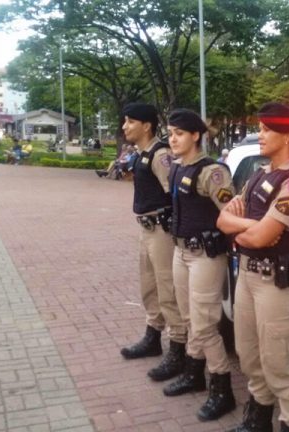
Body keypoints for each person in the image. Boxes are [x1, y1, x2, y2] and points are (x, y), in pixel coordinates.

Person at [218, 103, 289, 432]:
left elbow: (262, 236)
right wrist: (251, 227)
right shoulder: (260, 174)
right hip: (245, 276)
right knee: (249, 356)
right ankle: (258, 422)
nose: (259, 135)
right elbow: (222, 220)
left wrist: (247, 229)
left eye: (266, 129)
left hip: (276, 284)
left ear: (287, 135)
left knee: (280, 366)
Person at [161, 109, 236, 420]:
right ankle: (194, 374)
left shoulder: (211, 172)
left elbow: (232, 212)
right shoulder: (177, 169)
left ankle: (223, 389)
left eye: (179, 133)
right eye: (170, 134)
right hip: (181, 252)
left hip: (205, 255)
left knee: (205, 324)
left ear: (195, 135)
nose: (173, 139)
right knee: (189, 317)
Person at [119, 103, 187, 383]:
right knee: (148, 286)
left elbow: (176, 195)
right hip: (146, 229)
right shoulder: (141, 154)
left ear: (146, 125)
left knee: (166, 288)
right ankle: (152, 335)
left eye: (130, 122)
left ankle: (178, 349)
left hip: (161, 230)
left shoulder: (161, 155)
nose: (125, 127)